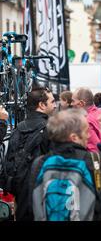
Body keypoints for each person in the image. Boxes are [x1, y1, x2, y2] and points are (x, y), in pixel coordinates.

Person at [28, 109, 101, 220]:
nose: (88, 136)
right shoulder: (94, 161)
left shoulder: (39, 163)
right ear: (74, 137)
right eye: (86, 131)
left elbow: (27, 207)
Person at [1, 86, 56, 221]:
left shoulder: (17, 130)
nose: (55, 106)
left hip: (20, 197)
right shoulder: (51, 130)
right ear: (41, 105)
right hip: (44, 198)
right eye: (53, 101)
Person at [72, 87, 101, 152]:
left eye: (73, 101)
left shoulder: (86, 122)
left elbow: (94, 150)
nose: (71, 104)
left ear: (82, 103)